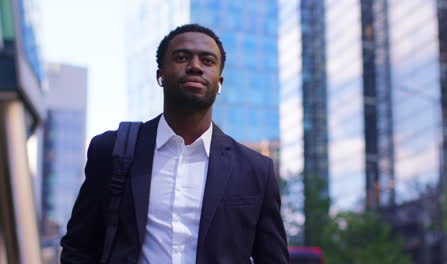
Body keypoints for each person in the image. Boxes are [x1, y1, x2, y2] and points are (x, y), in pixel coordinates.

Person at [61, 24, 289, 264]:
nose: (195, 66)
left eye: (208, 61)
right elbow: (79, 247)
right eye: (182, 57)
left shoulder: (256, 170)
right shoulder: (112, 150)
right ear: (160, 75)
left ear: (219, 82)